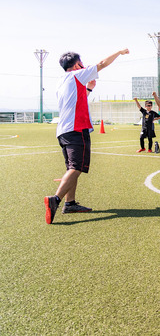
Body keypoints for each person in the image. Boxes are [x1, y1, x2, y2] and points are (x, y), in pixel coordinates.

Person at [44, 48, 129, 225]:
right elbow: (102, 64)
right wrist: (119, 52)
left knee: (72, 168)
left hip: (64, 131)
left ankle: (70, 203)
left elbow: (77, 98)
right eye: (81, 62)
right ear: (76, 65)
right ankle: (56, 200)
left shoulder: (63, 81)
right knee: (77, 167)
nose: (83, 65)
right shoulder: (77, 75)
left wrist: (89, 88)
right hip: (76, 129)